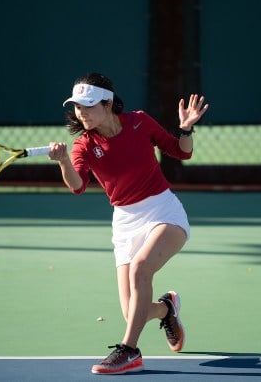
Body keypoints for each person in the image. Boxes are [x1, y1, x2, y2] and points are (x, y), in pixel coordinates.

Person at [49, 73, 208, 375]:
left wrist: (186, 128)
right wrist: (64, 162)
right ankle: (167, 309)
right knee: (131, 311)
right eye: (77, 107)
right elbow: (77, 186)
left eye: (88, 105)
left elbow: (182, 151)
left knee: (140, 269)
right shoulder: (84, 144)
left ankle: (129, 351)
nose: (81, 112)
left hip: (163, 211)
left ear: (108, 104)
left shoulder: (139, 122)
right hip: (124, 222)